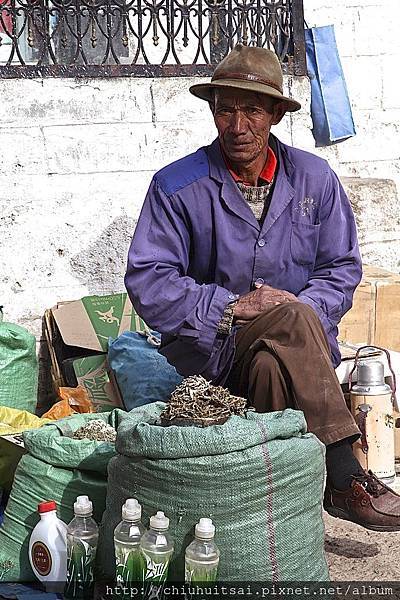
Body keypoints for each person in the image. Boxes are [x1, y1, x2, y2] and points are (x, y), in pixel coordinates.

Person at [125, 44, 400, 531]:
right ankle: (343, 469)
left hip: (295, 353)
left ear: (275, 114)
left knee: (277, 359)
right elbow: (150, 281)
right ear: (213, 112)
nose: (237, 125)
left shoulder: (314, 179)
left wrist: (301, 309)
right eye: (224, 109)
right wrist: (231, 307)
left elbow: (340, 268)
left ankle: (283, 513)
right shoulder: (177, 185)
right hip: (214, 351)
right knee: (291, 317)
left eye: (251, 110)